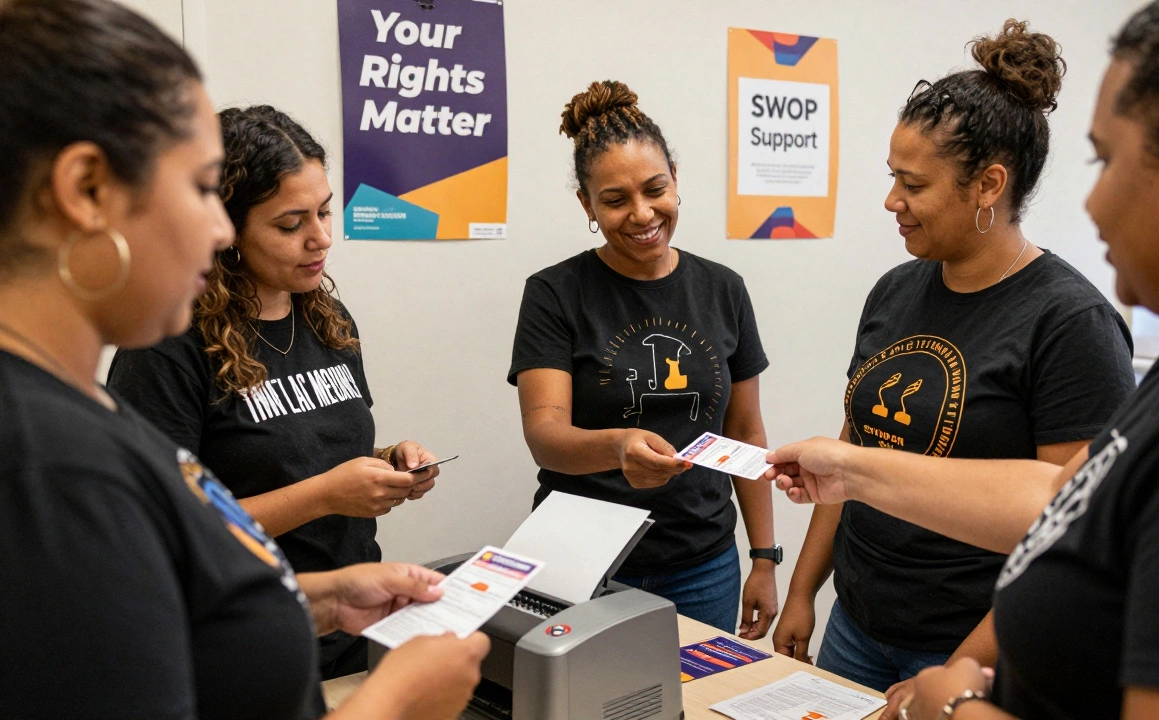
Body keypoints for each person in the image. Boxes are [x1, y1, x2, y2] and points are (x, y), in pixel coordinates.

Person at [767, 1, 1159, 718]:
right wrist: (847, 474)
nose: (1092, 203)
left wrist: (953, 697)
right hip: (877, 627)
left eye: (1105, 160)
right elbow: (1058, 501)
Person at [0, 1, 487, 717]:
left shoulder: (77, 413)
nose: (220, 230)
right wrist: (397, 702)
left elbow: (179, 587)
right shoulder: (50, 465)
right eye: (201, 188)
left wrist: (319, 597)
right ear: (87, 190)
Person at [771, 19, 1135, 699]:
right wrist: (802, 591)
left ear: (988, 185)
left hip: (970, 649)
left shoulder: (1071, 323)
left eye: (913, 184)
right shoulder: (895, 290)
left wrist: (951, 675)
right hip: (856, 625)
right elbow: (849, 453)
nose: (892, 202)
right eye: (893, 178)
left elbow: (1069, 536)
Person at [108, 105, 441, 679]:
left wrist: (387, 464)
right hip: (241, 644)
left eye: (325, 211)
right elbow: (163, 528)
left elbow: (300, 451)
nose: (321, 238)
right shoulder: (168, 345)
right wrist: (326, 495)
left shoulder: (327, 320)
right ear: (227, 230)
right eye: (290, 225)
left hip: (354, 626)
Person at [509, 80, 779, 637]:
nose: (641, 213)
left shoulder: (724, 289)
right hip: (583, 562)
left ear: (675, 179)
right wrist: (618, 445)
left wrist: (764, 558)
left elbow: (745, 432)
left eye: (655, 189)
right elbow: (545, 436)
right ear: (586, 204)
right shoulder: (554, 293)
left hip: (703, 564)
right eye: (614, 200)